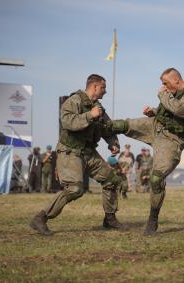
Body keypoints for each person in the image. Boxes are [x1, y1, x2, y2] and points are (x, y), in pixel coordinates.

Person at [107, 68, 184, 235]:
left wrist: (162, 95)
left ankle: (153, 219)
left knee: (156, 178)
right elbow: (169, 110)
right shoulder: (172, 92)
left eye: (166, 83)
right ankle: (90, 131)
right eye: (163, 85)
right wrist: (153, 111)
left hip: (172, 139)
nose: (164, 88)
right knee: (119, 125)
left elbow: (180, 110)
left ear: (176, 81)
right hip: (155, 125)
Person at [30, 74, 125, 236]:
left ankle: (110, 219)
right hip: (70, 151)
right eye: (103, 88)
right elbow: (67, 122)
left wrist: (113, 142)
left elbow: (106, 127)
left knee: (111, 180)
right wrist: (90, 115)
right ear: (94, 87)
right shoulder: (74, 101)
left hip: (88, 152)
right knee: (74, 189)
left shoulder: (98, 107)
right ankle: (40, 218)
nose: (106, 91)